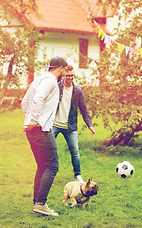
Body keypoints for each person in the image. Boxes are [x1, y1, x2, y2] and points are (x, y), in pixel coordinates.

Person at [21, 56, 67, 216]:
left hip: (32, 130)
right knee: (52, 166)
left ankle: (37, 203)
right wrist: (34, 121)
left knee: (42, 166)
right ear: (60, 68)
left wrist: (29, 121)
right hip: (41, 130)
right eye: (64, 70)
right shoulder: (51, 81)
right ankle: (41, 202)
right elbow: (37, 99)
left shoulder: (38, 79)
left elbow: (25, 102)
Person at [52, 65, 96, 183]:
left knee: (75, 151)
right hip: (54, 124)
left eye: (72, 75)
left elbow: (84, 109)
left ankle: (78, 175)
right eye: (67, 75)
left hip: (70, 127)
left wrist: (90, 125)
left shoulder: (78, 91)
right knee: (48, 149)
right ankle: (47, 172)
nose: (70, 78)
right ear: (63, 75)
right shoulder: (56, 87)